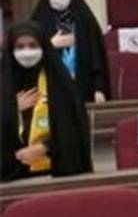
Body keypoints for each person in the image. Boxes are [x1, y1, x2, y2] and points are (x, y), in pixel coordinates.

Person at [2, 21, 92, 181]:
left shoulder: (60, 83)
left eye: (32, 45)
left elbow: (74, 130)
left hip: (56, 173)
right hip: (10, 177)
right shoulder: (3, 84)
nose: (27, 52)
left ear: (43, 46)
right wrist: (11, 109)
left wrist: (44, 147)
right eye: (20, 47)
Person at [31, 0, 110, 106]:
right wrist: (50, 45)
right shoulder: (38, 23)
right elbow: (29, 60)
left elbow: (97, 58)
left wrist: (99, 89)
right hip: (50, 94)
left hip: (84, 90)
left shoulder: (85, 21)